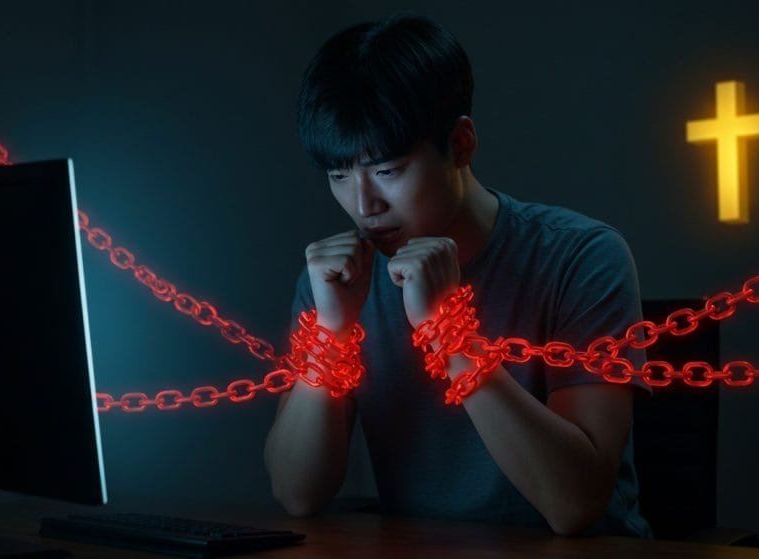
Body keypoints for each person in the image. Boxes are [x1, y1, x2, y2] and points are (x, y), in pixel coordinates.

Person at [263, 12, 653, 538]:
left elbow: (574, 504)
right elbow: (296, 493)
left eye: (387, 170)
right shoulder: (337, 281)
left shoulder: (582, 255)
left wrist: (449, 330)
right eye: (339, 175)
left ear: (462, 145)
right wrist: (331, 334)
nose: (363, 204)